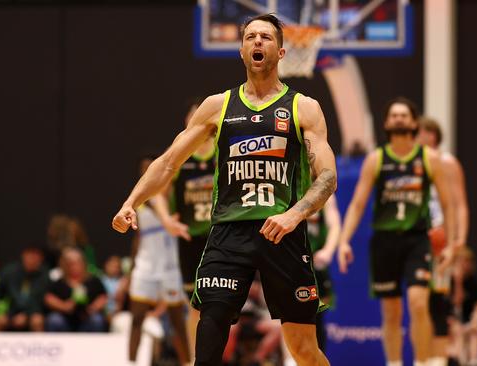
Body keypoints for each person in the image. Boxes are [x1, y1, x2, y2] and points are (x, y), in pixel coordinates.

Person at [112, 13, 336, 366]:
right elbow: (169, 162)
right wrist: (132, 202)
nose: (258, 41)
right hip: (229, 233)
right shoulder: (218, 106)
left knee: (304, 350)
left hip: (284, 234)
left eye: (266, 37)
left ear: (281, 51)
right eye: (250, 37)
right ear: (242, 50)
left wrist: (294, 215)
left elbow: (327, 177)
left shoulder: (303, 107)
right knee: (209, 339)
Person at [337, 97, 457, 366]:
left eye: (404, 115)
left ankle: (421, 362)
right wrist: (344, 241)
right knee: (391, 311)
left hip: (417, 240)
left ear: (414, 122)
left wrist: (450, 243)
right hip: (384, 241)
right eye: (394, 115)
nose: (399, 119)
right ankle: (393, 363)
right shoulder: (376, 159)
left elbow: (448, 205)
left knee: (417, 303)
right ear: (386, 123)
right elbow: (357, 204)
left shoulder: (429, 158)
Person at [126, 154, 191, 366]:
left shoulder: (170, 196)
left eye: (151, 169)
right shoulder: (140, 202)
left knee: (177, 321)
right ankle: (131, 362)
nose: (148, 174)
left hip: (171, 265)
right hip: (145, 265)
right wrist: (132, 267)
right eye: (144, 171)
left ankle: (187, 362)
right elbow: (138, 237)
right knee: (136, 319)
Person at [417, 116, 470, 366]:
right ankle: (423, 358)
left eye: (419, 132)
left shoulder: (447, 162)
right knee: (419, 303)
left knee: (439, 303)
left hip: (440, 240)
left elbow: (459, 205)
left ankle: (438, 359)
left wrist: (458, 240)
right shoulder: (414, 162)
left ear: (431, 135)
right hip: (416, 239)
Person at [169, 97, 216, 355]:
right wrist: (167, 220)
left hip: (217, 237)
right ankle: (193, 360)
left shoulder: (221, 150)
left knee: (216, 303)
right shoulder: (180, 151)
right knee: (194, 305)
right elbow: (161, 191)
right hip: (188, 237)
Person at [307, 194, 342, 351]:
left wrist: (328, 251)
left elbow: (334, 225)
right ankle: (289, 361)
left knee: (317, 318)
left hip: (316, 268)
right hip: (290, 264)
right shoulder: (285, 185)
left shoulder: (323, 192)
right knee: (287, 317)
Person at [44, 247, 108, 332]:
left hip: (88, 318)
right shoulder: (60, 282)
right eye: (71, 264)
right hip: (65, 319)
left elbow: (103, 296)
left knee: (97, 320)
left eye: (77, 263)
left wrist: (94, 307)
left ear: (83, 263)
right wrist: (64, 306)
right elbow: (48, 297)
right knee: (54, 320)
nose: (74, 266)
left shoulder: (93, 281)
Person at [0, 246, 49, 331]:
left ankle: (38, 344)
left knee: (37, 321)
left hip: (33, 313)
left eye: (37, 258)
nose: (33, 260)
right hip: (10, 311)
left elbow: (41, 300)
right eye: (31, 257)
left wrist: (26, 314)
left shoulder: (44, 276)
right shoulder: (9, 272)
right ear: (24, 256)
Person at [450, 248, 477, 366]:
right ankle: (459, 361)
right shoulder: (450, 282)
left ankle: (474, 362)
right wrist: (458, 282)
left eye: (467, 261)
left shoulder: (476, 282)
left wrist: (475, 321)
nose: (464, 265)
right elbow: (456, 304)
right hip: (456, 322)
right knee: (456, 330)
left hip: (472, 321)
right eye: (460, 261)